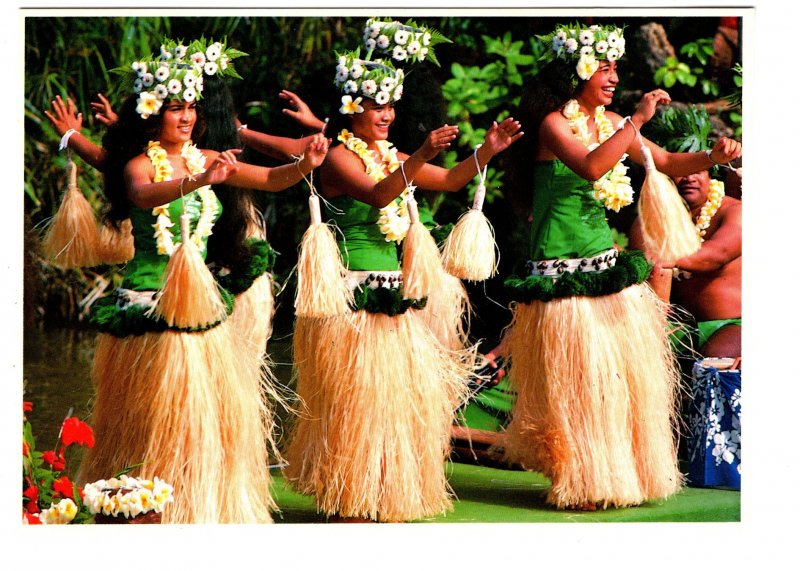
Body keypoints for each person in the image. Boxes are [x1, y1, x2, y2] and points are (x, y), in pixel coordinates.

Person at [75, 38, 329, 524]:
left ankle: (197, 505)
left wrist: (305, 166)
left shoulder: (208, 157)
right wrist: (197, 181)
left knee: (204, 419)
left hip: (200, 310)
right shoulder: (140, 164)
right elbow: (143, 196)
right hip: (150, 309)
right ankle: (141, 504)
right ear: (152, 113)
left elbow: (271, 181)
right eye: (175, 108)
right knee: (151, 419)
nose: (186, 116)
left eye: (191, 106)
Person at [283, 18, 522, 523]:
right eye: (377, 106)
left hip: (396, 303)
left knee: (396, 403)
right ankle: (349, 495)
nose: (388, 115)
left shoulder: (390, 155)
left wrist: (487, 151)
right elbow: (378, 194)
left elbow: (454, 180)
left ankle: (383, 490)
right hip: (352, 305)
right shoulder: (340, 159)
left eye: (392, 105)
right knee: (357, 404)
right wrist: (420, 154)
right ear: (354, 109)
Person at [495, 22, 741, 510]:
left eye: (615, 68)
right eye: (604, 68)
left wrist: (710, 156)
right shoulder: (553, 123)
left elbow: (666, 162)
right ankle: (581, 478)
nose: (612, 77)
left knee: (616, 379)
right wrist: (636, 118)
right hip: (561, 275)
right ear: (577, 72)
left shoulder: (609, 125)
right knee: (578, 384)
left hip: (604, 267)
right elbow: (590, 167)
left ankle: (614, 473)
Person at [631, 167, 741, 358]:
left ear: (710, 174)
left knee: (717, 355)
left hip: (730, 324)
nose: (689, 176)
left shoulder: (735, 211)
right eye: (681, 169)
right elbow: (642, 274)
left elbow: (717, 255)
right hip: (676, 328)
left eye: (698, 170)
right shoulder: (650, 220)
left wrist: (666, 257)